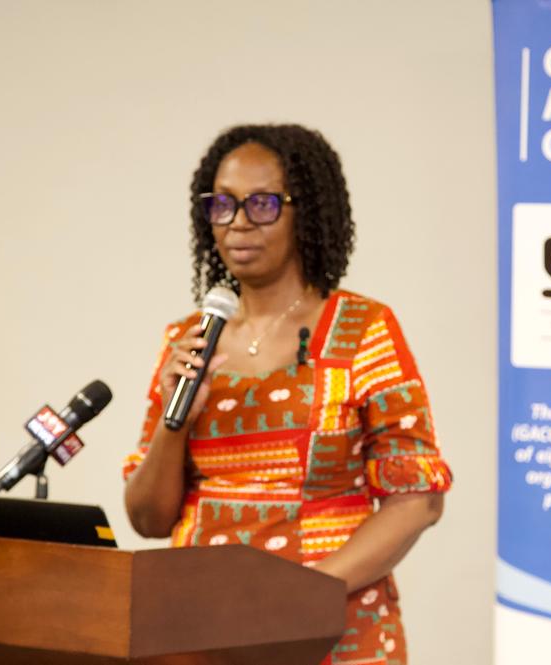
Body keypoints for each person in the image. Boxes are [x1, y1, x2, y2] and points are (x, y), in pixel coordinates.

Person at [123, 124, 452, 665]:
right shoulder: (190, 340)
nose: (238, 222)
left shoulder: (363, 330)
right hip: (205, 628)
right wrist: (174, 422)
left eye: (263, 204)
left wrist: (300, 595)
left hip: (332, 627)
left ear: (307, 212)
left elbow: (418, 499)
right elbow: (148, 520)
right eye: (222, 204)